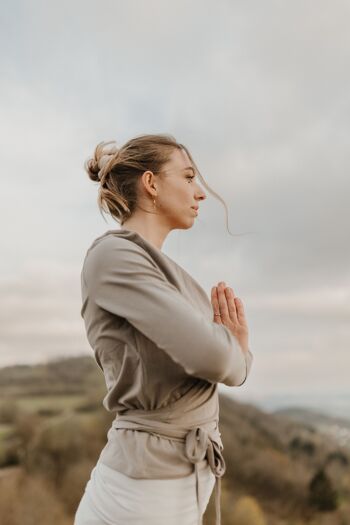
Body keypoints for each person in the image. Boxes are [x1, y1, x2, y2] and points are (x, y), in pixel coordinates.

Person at [74, 133, 254, 525]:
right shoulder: (113, 256)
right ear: (151, 183)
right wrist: (232, 350)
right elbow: (219, 359)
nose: (200, 193)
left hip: (173, 489)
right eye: (188, 177)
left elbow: (231, 366)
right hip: (139, 496)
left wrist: (232, 355)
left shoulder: (162, 272)